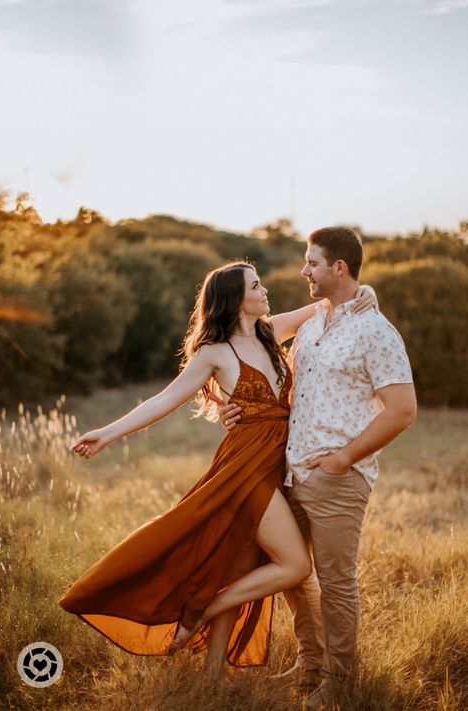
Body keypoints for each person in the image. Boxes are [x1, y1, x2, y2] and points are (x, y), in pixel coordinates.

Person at [59, 259, 376, 683]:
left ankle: (211, 679)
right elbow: (163, 401)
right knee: (296, 567)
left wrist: (366, 292)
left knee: (239, 567)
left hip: (281, 465)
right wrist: (107, 433)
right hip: (244, 470)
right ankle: (200, 609)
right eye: (256, 286)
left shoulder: (270, 332)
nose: (265, 291)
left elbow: (328, 305)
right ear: (234, 299)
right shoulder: (214, 353)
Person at [218, 228, 417, 708]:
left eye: (312, 263)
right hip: (289, 470)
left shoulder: (375, 330)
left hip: (338, 477)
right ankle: (310, 664)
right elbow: (259, 362)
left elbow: (402, 408)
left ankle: (340, 679)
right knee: (293, 573)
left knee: (336, 581)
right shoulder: (311, 324)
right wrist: (230, 406)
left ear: (339, 268)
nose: (304, 271)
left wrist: (345, 458)